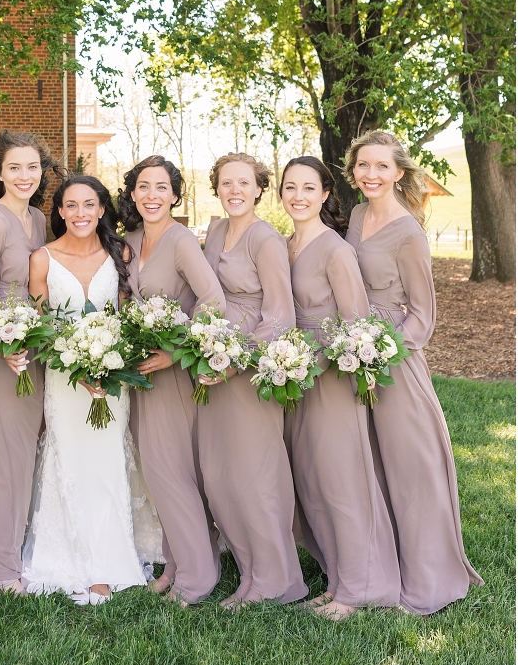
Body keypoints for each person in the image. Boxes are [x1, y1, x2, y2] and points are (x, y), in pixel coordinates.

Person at [344, 130, 482, 614]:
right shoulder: (356, 215)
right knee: (370, 466)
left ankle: (429, 580)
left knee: (410, 469)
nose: (371, 174)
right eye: (363, 165)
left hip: (392, 361)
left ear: (399, 172)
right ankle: (383, 567)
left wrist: (379, 352)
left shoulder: (408, 233)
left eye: (382, 166)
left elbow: (423, 316)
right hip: (350, 353)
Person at [22, 175, 160, 604]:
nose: (80, 213)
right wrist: (75, 365)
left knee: (105, 459)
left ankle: (106, 561)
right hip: (64, 380)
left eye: (89, 205)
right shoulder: (42, 259)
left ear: (102, 210)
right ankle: (64, 555)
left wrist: (110, 362)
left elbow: (127, 319)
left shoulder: (119, 254)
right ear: (60, 212)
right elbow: (42, 329)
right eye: (71, 205)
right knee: (69, 457)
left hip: (111, 378)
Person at [280, 155, 400, 619]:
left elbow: (356, 323)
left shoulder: (335, 250)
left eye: (309, 188)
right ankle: (337, 578)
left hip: (331, 377)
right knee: (311, 481)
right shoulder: (284, 245)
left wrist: (325, 359)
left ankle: (360, 588)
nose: (298, 196)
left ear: (326, 194)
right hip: (293, 377)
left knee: (341, 482)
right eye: (290, 187)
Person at [198, 153, 308, 609]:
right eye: (226, 183)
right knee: (220, 474)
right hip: (212, 360)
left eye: (244, 182)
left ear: (260, 188)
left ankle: (276, 578)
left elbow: (280, 314)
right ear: (216, 188)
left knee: (254, 475)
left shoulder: (266, 240)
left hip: (249, 368)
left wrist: (234, 360)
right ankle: (250, 572)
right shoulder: (215, 232)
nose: (235, 191)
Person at [123, 156, 224, 606]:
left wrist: (176, 351)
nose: (152, 195)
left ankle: (197, 577)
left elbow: (213, 300)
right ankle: (176, 563)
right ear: (132, 194)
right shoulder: (130, 241)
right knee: (157, 473)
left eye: (161, 187)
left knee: (172, 473)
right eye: (143, 187)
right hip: (139, 374)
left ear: (175, 195)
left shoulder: (181, 240)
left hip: (172, 375)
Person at [0, 130, 58, 593]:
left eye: (32, 167)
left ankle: (15, 549)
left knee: (24, 458)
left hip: (33, 351)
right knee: (6, 462)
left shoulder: (37, 219)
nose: (24, 176)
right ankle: (0, 570)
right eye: (15, 168)